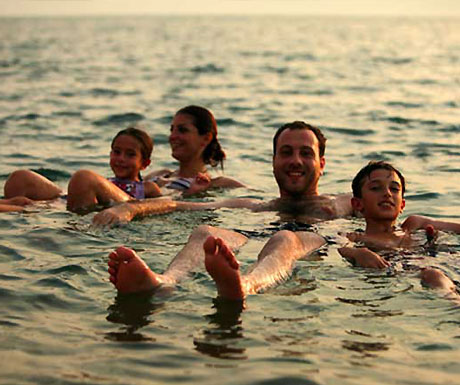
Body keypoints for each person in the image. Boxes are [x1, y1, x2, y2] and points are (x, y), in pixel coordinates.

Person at [105, 121, 352, 301]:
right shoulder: (256, 206)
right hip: (264, 231)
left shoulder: (344, 203)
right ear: (274, 161)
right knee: (207, 233)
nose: (295, 161)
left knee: (285, 239)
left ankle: (244, 285)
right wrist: (128, 208)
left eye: (306, 153)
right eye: (286, 153)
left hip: (319, 239)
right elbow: (178, 205)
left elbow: (388, 206)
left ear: (321, 164)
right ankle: (164, 281)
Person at [338, 161, 460, 299]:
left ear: (402, 204)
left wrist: (435, 241)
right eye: (376, 188)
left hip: (448, 265)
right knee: (433, 275)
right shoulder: (357, 238)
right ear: (357, 204)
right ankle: (455, 305)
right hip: (408, 276)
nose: (387, 193)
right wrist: (358, 253)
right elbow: (338, 247)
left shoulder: (414, 225)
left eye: (394, 189)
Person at [144, 105, 244, 193]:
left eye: (182, 130)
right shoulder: (159, 175)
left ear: (206, 138)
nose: (172, 137)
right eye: (172, 130)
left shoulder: (220, 185)